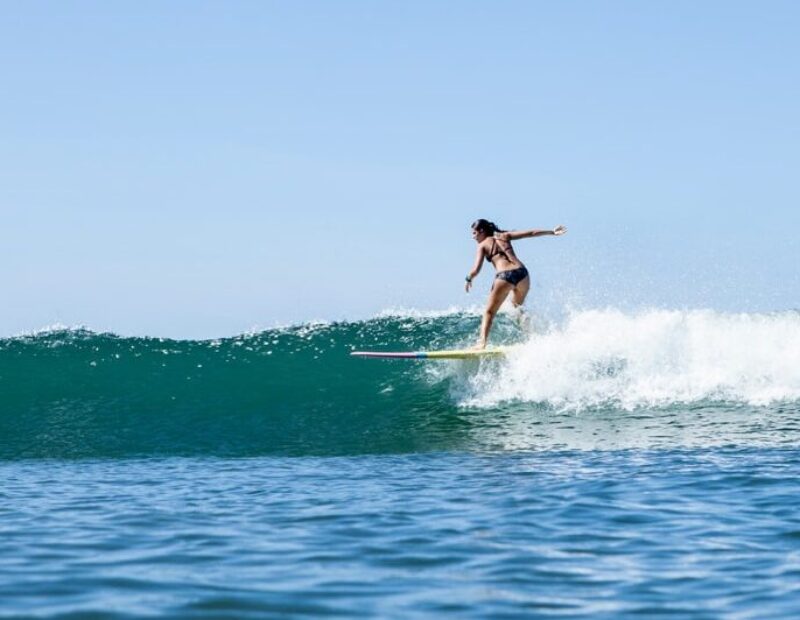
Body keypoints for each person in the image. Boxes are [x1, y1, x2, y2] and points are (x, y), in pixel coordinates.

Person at [465, 219, 567, 349]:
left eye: (474, 233)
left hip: (505, 276)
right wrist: (552, 232)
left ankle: (481, 343)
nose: (473, 237)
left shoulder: (483, 245)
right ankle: (533, 337)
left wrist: (468, 278)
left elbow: (476, 269)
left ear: (481, 231)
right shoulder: (504, 236)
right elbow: (531, 233)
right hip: (523, 274)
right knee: (517, 308)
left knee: (489, 312)